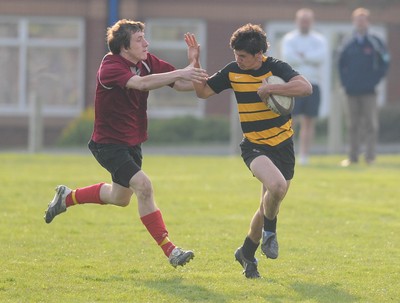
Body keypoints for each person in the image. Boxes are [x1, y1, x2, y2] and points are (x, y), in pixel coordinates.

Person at [44, 19, 208, 268]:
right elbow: (142, 83)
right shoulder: (110, 66)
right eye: (140, 39)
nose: (146, 43)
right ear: (124, 47)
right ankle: (171, 250)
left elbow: (183, 84)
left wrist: (193, 63)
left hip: (132, 142)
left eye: (145, 37)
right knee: (144, 186)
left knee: (120, 198)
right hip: (108, 144)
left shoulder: (146, 61)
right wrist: (182, 71)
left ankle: (67, 197)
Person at [185, 24, 312, 278]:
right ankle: (270, 232)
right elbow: (203, 93)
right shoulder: (233, 71)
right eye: (236, 54)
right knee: (277, 187)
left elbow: (305, 87)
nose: (237, 60)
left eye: (242, 56)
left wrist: (272, 88)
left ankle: (246, 253)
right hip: (254, 146)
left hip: (283, 144)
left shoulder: (276, 67)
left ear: (259, 55)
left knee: (265, 205)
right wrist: (195, 63)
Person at [338, 7, 390, 166]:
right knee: (353, 125)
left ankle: (370, 157)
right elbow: (340, 64)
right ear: (354, 22)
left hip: (370, 91)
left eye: (363, 20)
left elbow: (385, 62)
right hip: (350, 90)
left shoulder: (376, 41)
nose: (360, 23)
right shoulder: (348, 42)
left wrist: (375, 80)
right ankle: (352, 158)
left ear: (368, 22)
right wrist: (345, 82)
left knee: (370, 124)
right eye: (357, 20)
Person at [281, 8, 328, 165]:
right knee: (290, 122)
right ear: (297, 21)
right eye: (302, 20)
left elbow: (320, 57)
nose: (304, 23)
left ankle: (304, 155)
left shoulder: (319, 39)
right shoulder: (289, 39)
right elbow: (289, 58)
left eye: (307, 20)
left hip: (313, 85)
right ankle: (287, 153)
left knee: (308, 122)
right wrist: (307, 57)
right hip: (293, 84)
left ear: (311, 22)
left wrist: (303, 56)